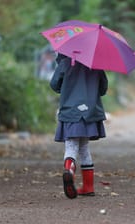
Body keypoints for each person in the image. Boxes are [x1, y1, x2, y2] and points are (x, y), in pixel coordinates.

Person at [50, 53, 108, 199]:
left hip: (71, 112)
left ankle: (69, 170)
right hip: (89, 112)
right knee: (84, 148)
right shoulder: (96, 64)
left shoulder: (66, 63)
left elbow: (55, 84)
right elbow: (103, 89)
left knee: (71, 146)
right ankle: (88, 186)